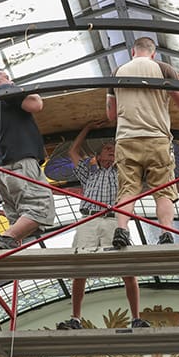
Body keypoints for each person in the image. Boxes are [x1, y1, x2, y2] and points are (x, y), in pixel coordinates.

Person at [106, 36, 179, 249]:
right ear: (153, 53)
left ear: (133, 52)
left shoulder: (117, 72)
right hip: (156, 138)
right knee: (163, 189)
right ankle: (165, 233)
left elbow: (111, 114)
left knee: (128, 189)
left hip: (126, 139)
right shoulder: (164, 69)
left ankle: (122, 230)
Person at [56, 120, 150, 330]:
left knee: (128, 268)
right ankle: (75, 319)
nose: (111, 152)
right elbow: (73, 151)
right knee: (80, 268)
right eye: (107, 149)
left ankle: (135, 317)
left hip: (112, 220)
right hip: (88, 219)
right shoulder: (89, 173)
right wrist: (87, 127)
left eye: (115, 150)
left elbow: (140, 160)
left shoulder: (123, 173)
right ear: (97, 156)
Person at [0, 69, 55, 249]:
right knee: (40, 208)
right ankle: (4, 239)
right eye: (6, 77)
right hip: (21, 164)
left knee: (19, 215)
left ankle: (6, 243)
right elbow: (36, 105)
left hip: (1, 172)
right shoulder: (6, 90)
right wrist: (24, 90)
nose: (11, 81)